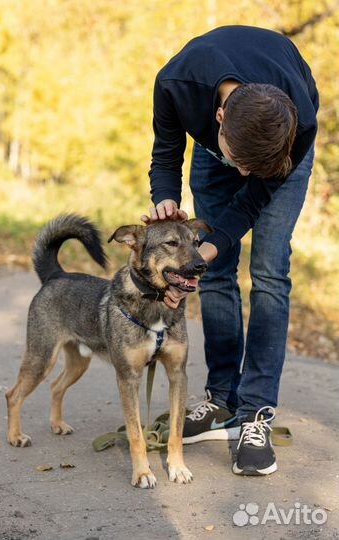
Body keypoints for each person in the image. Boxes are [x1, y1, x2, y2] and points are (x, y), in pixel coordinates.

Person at [141, 25, 319, 476]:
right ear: (219, 117)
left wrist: (209, 246)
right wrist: (164, 198)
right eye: (238, 162)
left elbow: (252, 199)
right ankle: (221, 399)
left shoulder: (294, 128)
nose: (241, 173)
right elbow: (166, 152)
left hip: (282, 160)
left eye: (247, 167)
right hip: (212, 150)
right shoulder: (177, 83)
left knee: (269, 274)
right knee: (216, 276)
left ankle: (255, 413)